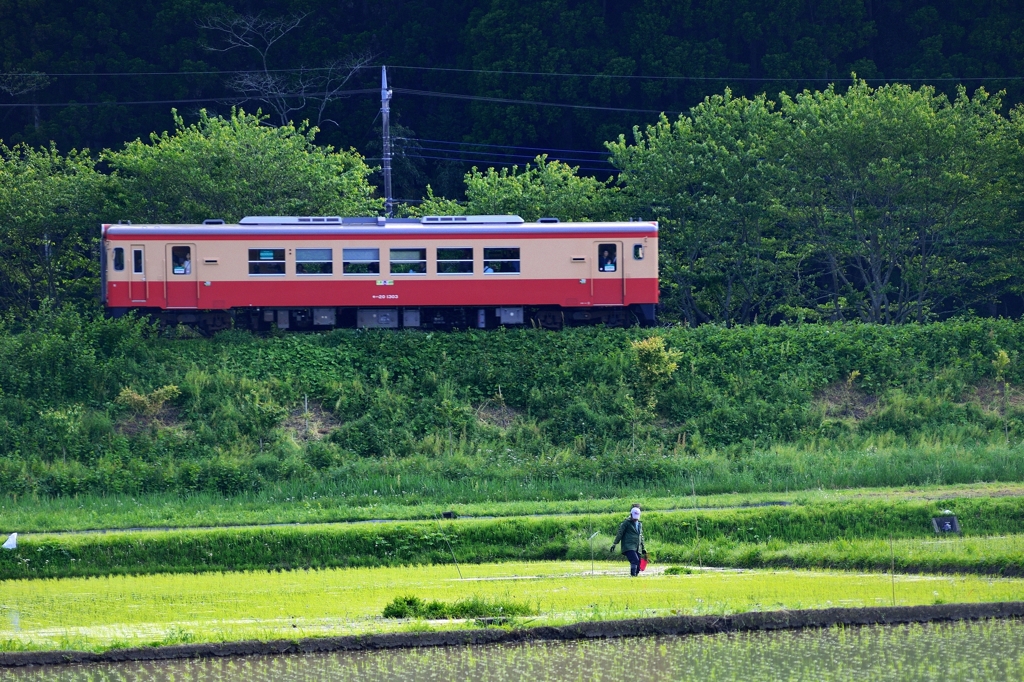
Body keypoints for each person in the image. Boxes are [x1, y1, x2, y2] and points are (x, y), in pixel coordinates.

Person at [610, 504, 646, 577]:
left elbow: (641, 536)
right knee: (634, 560)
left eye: (637, 518)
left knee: (638, 564)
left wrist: (643, 548)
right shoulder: (626, 523)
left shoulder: (639, 524)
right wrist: (615, 543)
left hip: (637, 547)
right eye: (634, 517)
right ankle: (633, 576)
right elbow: (620, 533)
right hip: (628, 546)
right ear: (631, 515)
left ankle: (635, 577)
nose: (635, 519)